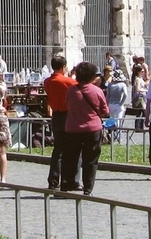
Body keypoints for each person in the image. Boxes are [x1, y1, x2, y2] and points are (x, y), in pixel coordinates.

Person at [58, 61, 109, 196]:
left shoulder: (71, 91)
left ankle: (66, 185)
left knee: (69, 158)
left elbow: (67, 105)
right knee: (90, 160)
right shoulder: (97, 91)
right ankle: (88, 189)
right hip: (92, 129)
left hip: (72, 129)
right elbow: (105, 111)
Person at [44, 54, 76, 191]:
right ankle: (68, 180)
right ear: (63, 67)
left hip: (56, 115)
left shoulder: (47, 81)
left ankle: (53, 180)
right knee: (70, 149)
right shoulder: (69, 82)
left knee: (57, 149)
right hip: (68, 116)